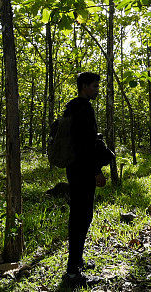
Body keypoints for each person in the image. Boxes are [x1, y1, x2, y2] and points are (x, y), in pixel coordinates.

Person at [65, 71, 106, 284]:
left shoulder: (71, 107)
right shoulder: (84, 109)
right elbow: (86, 146)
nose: (97, 90)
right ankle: (73, 272)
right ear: (84, 86)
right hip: (83, 170)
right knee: (81, 218)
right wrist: (97, 170)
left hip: (74, 169)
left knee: (79, 217)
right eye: (94, 86)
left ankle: (77, 261)